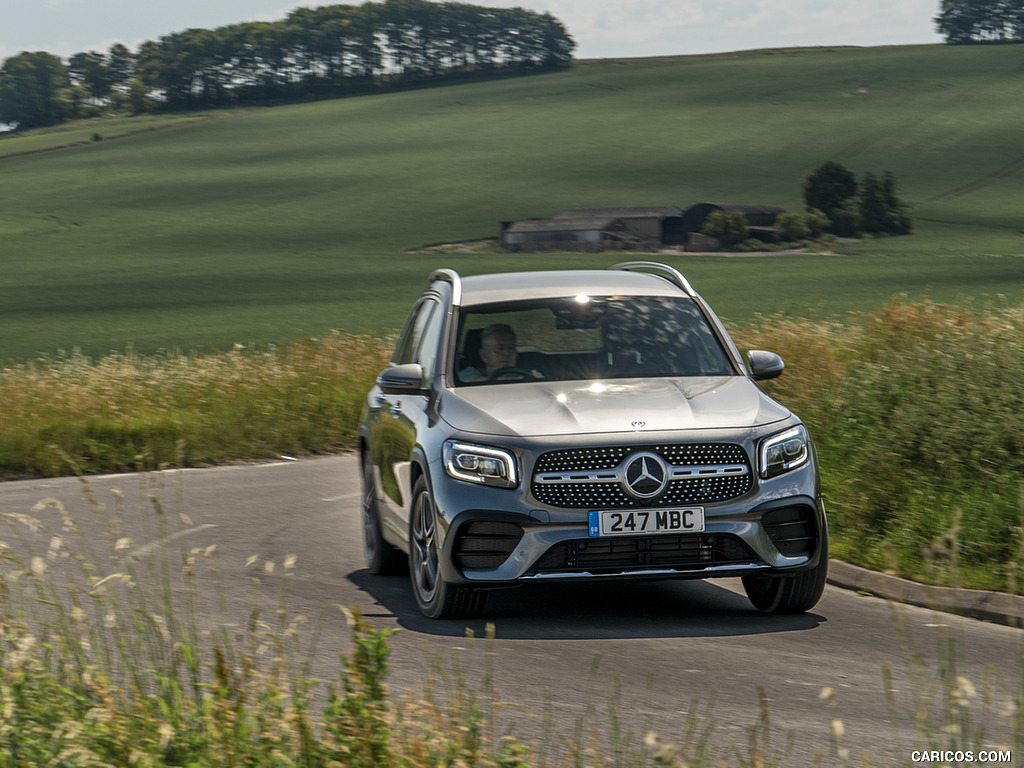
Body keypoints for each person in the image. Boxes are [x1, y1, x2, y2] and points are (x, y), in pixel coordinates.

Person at [460, 323, 530, 381]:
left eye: (511, 348)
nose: (507, 353)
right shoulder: (469, 374)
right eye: (500, 348)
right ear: (484, 355)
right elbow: (467, 382)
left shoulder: (526, 373)